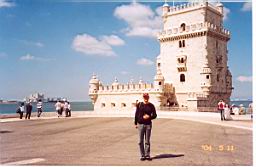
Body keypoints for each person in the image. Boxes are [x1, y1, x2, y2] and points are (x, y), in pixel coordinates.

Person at [134, 93, 157, 161]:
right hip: (140, 124)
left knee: (147, 141)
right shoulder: (139, 105)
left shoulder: (151, 105)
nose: (145, 98)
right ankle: (142, 155)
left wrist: (149, 117)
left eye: (147, 97)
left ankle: (147, 155)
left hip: (148, 125)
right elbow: (136, 114)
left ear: (148, 97)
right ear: (143, 97)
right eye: (144, 97)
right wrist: (135, 123)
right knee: (140, 141)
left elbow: (155, 115)